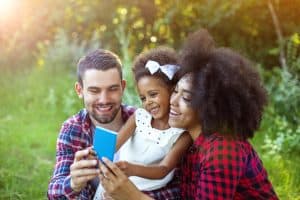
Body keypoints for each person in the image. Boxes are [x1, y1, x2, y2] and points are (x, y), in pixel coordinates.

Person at [96, 29, 279, 199]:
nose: (173, 101)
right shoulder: (190, 142)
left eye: (187, 97)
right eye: (175, 91)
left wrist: (133, 196)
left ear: (209, 104)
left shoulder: (222, 150)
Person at [94, 47, 192, 200]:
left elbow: (163, 169)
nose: (148, 103)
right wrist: (95, 153)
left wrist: (132, 169)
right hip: (118, 180)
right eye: (143, 98)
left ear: (173, 91)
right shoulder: (139, 117)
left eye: (153, 94)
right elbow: (115, 144)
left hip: (145, 192)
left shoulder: (182, 134)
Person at [47, 49, 136, 199]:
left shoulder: (143, 122)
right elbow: (54, 192)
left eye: (112, 89)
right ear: (79, 90)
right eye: (94, 91)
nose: (104, 100)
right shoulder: (72, 129)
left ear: (123, 87)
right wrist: (73, 183)